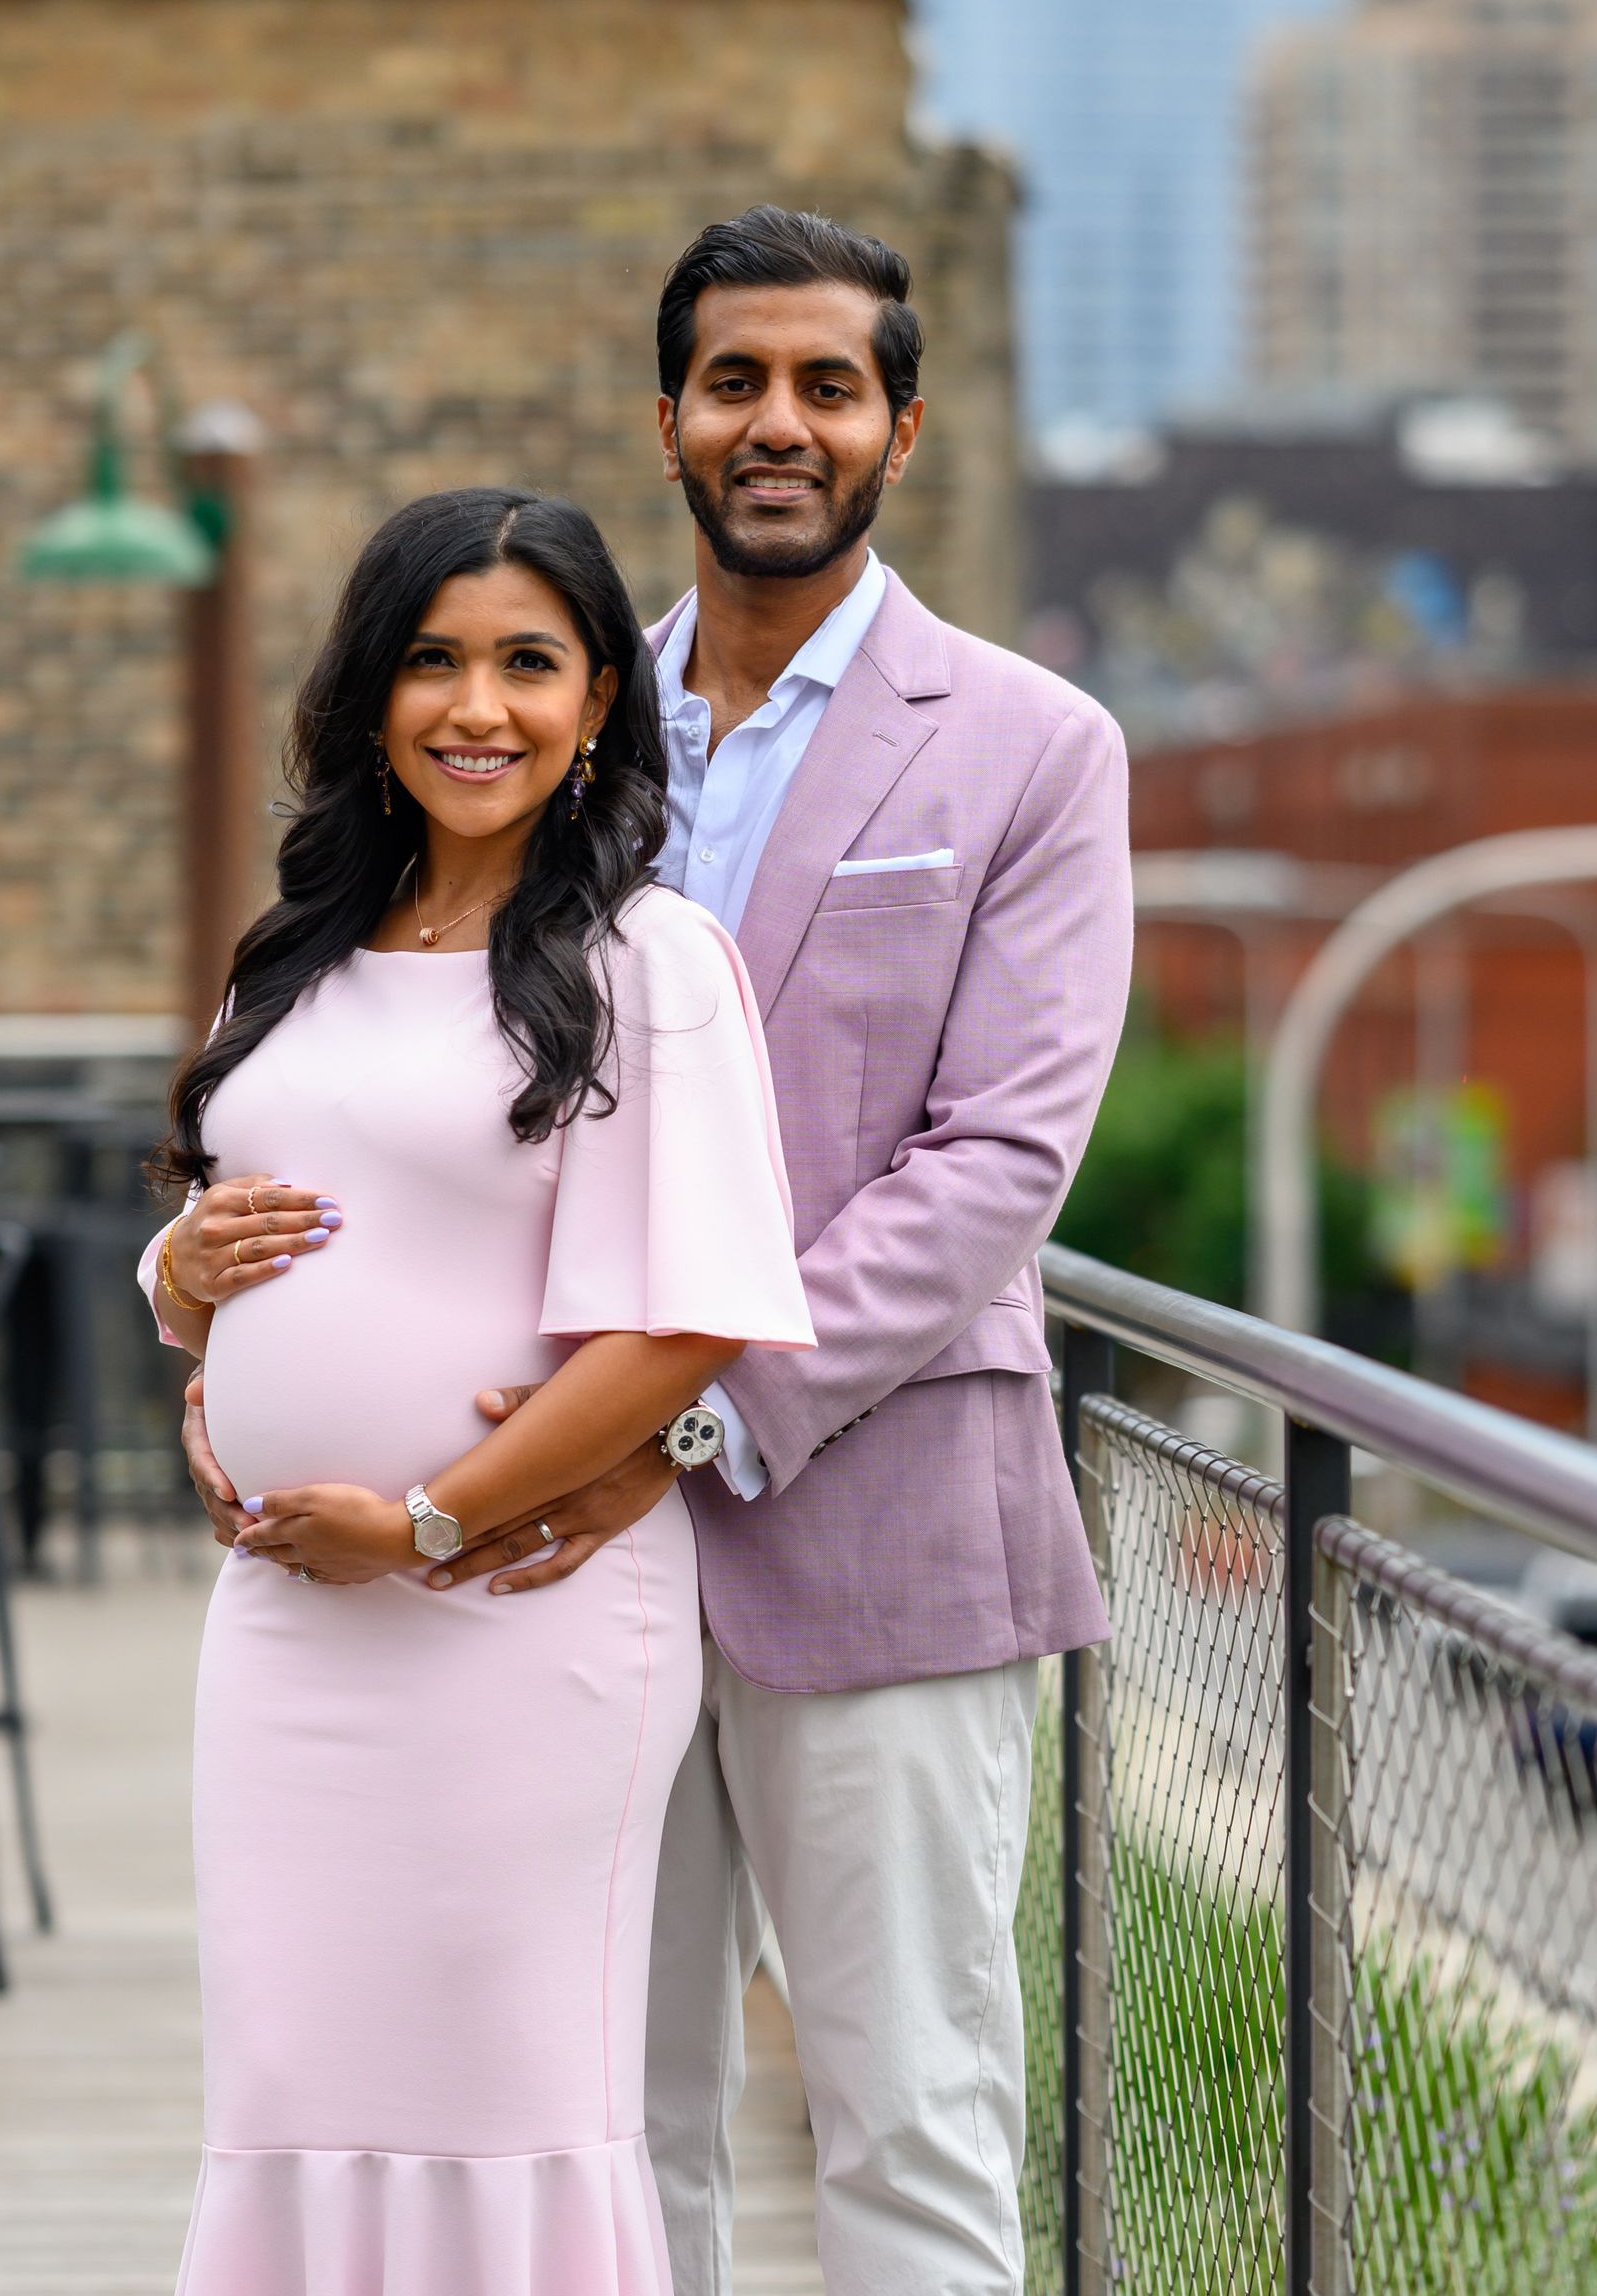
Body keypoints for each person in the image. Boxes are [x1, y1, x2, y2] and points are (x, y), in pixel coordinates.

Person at [429, 207, 1133, 2293]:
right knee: (613, 2129)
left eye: (829, 384)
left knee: (908, 2120)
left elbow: (1004, 1155)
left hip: (885, 1508)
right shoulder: (557, 734)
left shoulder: (1030, 746)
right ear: (668, 418)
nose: (779, 423)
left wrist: (697, 1411)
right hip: (574, 1539)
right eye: (737, 379)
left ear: (898, 425)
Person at [140, 485, 814, 2296]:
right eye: (433, 661)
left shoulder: (648, 965)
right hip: (286, 1629)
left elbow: (687, 1327)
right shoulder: (292, 959)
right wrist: (179, 1288)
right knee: (290, 2077)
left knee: (510, 2085)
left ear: (602, 701)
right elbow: (227, 1234)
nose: (477, 707)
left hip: (515, 1618)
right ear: (372, 696)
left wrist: (429, 1518)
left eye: (530, 663)